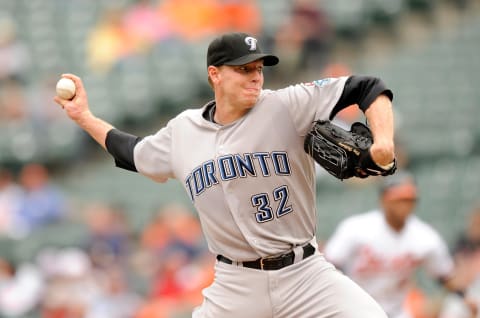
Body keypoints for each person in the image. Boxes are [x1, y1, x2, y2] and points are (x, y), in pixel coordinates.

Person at [54, 32, 396, 317]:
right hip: (236, 285)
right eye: (244, 69)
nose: (256, 77)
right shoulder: (183, 131)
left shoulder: (287, 105)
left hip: (304, 274)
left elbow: (367, 87)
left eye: (259, 68)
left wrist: (383, 144)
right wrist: (84, 116)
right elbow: (131, 152)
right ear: (215, 74)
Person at [323, 171, 478, 318]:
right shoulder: (356, 228)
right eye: (399, 199)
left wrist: (464, 297)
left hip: (396, 310)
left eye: (408, 200)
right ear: (384, 200)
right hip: (355, 307)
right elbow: (330, 264)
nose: (404, 205)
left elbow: (444, 275)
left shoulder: (425, 237)